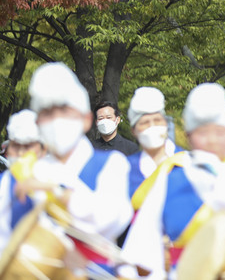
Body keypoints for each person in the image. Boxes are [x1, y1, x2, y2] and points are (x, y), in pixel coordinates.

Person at [120, 83, 225, 279]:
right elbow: (143, 244)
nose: (212, 140)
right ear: (189, 136)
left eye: (219, 133)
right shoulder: (172, 176)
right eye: (202, 133)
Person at [8, 63, 133, 271]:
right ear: (38, 122)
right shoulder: (20, 174)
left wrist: (54, 191)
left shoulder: (111, 165)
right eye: (47, 113)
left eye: (65, 111)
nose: (56, 120)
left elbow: (112, 217)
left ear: (86, 120)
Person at [0, 109, 46, 249]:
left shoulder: (56, 182)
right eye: (15, 146)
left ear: (43, 150)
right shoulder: (2, 182)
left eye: (27, 147)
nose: (20, 153)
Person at [126, 87, 180, 200]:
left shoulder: (186, 162)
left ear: (166, 124)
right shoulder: (126, 169)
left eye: (157, 120)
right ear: (133, 131)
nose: (152, 126)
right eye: (145, 122)